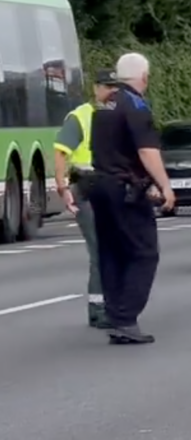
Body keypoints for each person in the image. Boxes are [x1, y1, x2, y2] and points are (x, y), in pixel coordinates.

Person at [87, 53, 175, 345]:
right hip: (125, 189)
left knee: (112, 252)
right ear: (145, 78)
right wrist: (165, 187)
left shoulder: (104, 105)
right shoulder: (136, 105)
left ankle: (115, 316)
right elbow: (147, 151)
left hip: (100, 185)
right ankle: (126, 318)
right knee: (144, 252)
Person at [53, 69, 118, 328]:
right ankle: (98, 309)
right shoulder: (80, 117)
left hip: (110, 189)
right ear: (96, 88)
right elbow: (60, 152)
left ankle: (108, 305)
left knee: (112, 249)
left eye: (116, 87)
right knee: (100, 249)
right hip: (87, 189)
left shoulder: (118, 116)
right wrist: (62, 187)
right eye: (107, 86)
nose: (112, 91)